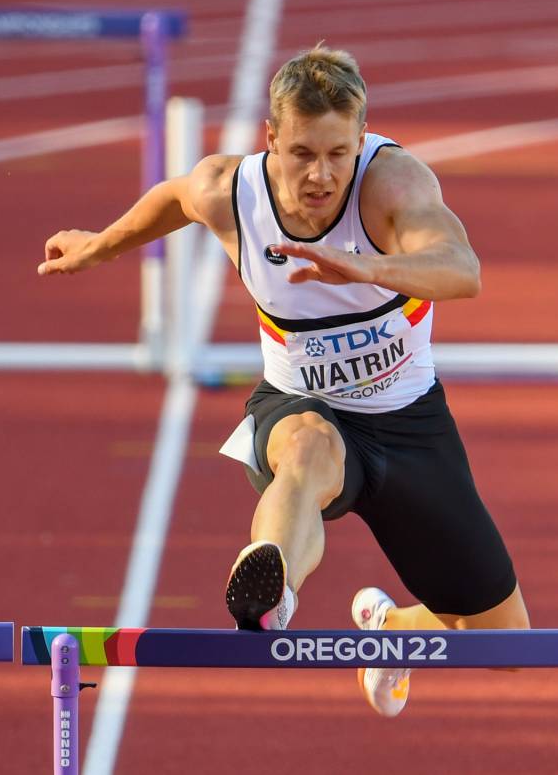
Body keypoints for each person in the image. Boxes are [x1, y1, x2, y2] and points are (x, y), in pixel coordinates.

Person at [38, 44, 529, 717]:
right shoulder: (231, 191)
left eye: (337, 152)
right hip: (300, 407)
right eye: (301, 153)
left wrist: (369, 269)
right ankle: (272, 588)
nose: (321, 174)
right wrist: (97, 244)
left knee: (505, 642)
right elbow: (173, 199)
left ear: (362, 134)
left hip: (409, 424)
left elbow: (461, 267)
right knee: (306, 450)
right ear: (271, 138)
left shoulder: (393, 185)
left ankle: (386, 636)